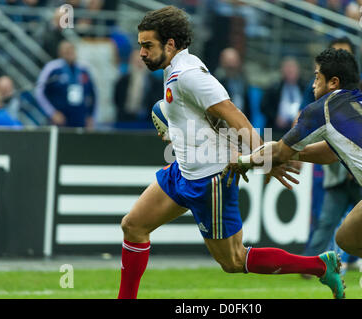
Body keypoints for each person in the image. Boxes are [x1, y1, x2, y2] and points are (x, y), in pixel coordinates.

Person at [117, 6, 345, 300]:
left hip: (210, 180)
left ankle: (318, 266)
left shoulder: (189, 75)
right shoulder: (175, 70)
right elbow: (211, 121)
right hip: (182, 171)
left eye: (148, 46)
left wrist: (265, 158)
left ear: (170, 44)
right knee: (133, 226)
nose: (142, 53)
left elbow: (235, 117)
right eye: (140, 46)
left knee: (234, 261)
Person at [224, 48, 362, 298]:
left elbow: (280, 153)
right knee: (349, 238)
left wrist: (243, 162)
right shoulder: (359, 101)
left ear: (333, 82)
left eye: (317, 76)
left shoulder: (321, 109)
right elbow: (329, 153)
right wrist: (286, 154)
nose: (313, 82)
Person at [300, 37, 362, 279]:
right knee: (326, 222)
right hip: (337, 174)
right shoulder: (316, 85)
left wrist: (280, 153)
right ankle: (309, 266)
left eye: (343, 53)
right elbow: (304, 117)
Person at [35, 41, 97, 128]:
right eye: (66, 50)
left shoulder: (83, 69)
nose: (69, 52)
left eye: (71, 50)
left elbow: (93, 95)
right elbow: (39, 92)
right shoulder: (52, 68)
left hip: (80, 119)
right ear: (60, 53)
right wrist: (52, 113)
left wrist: (91, 116)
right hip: (59, 120)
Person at [113, 49, 163, 129]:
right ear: (131, 62)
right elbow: (117, 99)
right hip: (125, 121)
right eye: (136, 61)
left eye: (142, 61)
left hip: (147, 123)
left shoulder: (156, 83)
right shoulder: (122, 81)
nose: (139, 64)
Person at [261, 57, 305, 135]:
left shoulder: (305, 87)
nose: (290, 70)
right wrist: (275, 118)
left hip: (298, 128)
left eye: (292, 68)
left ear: (298, 70)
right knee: (267, 139)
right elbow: (263, 106)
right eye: (287, 68)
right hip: (275, 126)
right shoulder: (274, 87)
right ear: (282, 70)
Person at [215, 47, 251, 120]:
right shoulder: (216, 82)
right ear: (222, 62)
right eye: (229, 61)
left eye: (234, 61)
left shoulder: (244, 81)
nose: (232, 65)